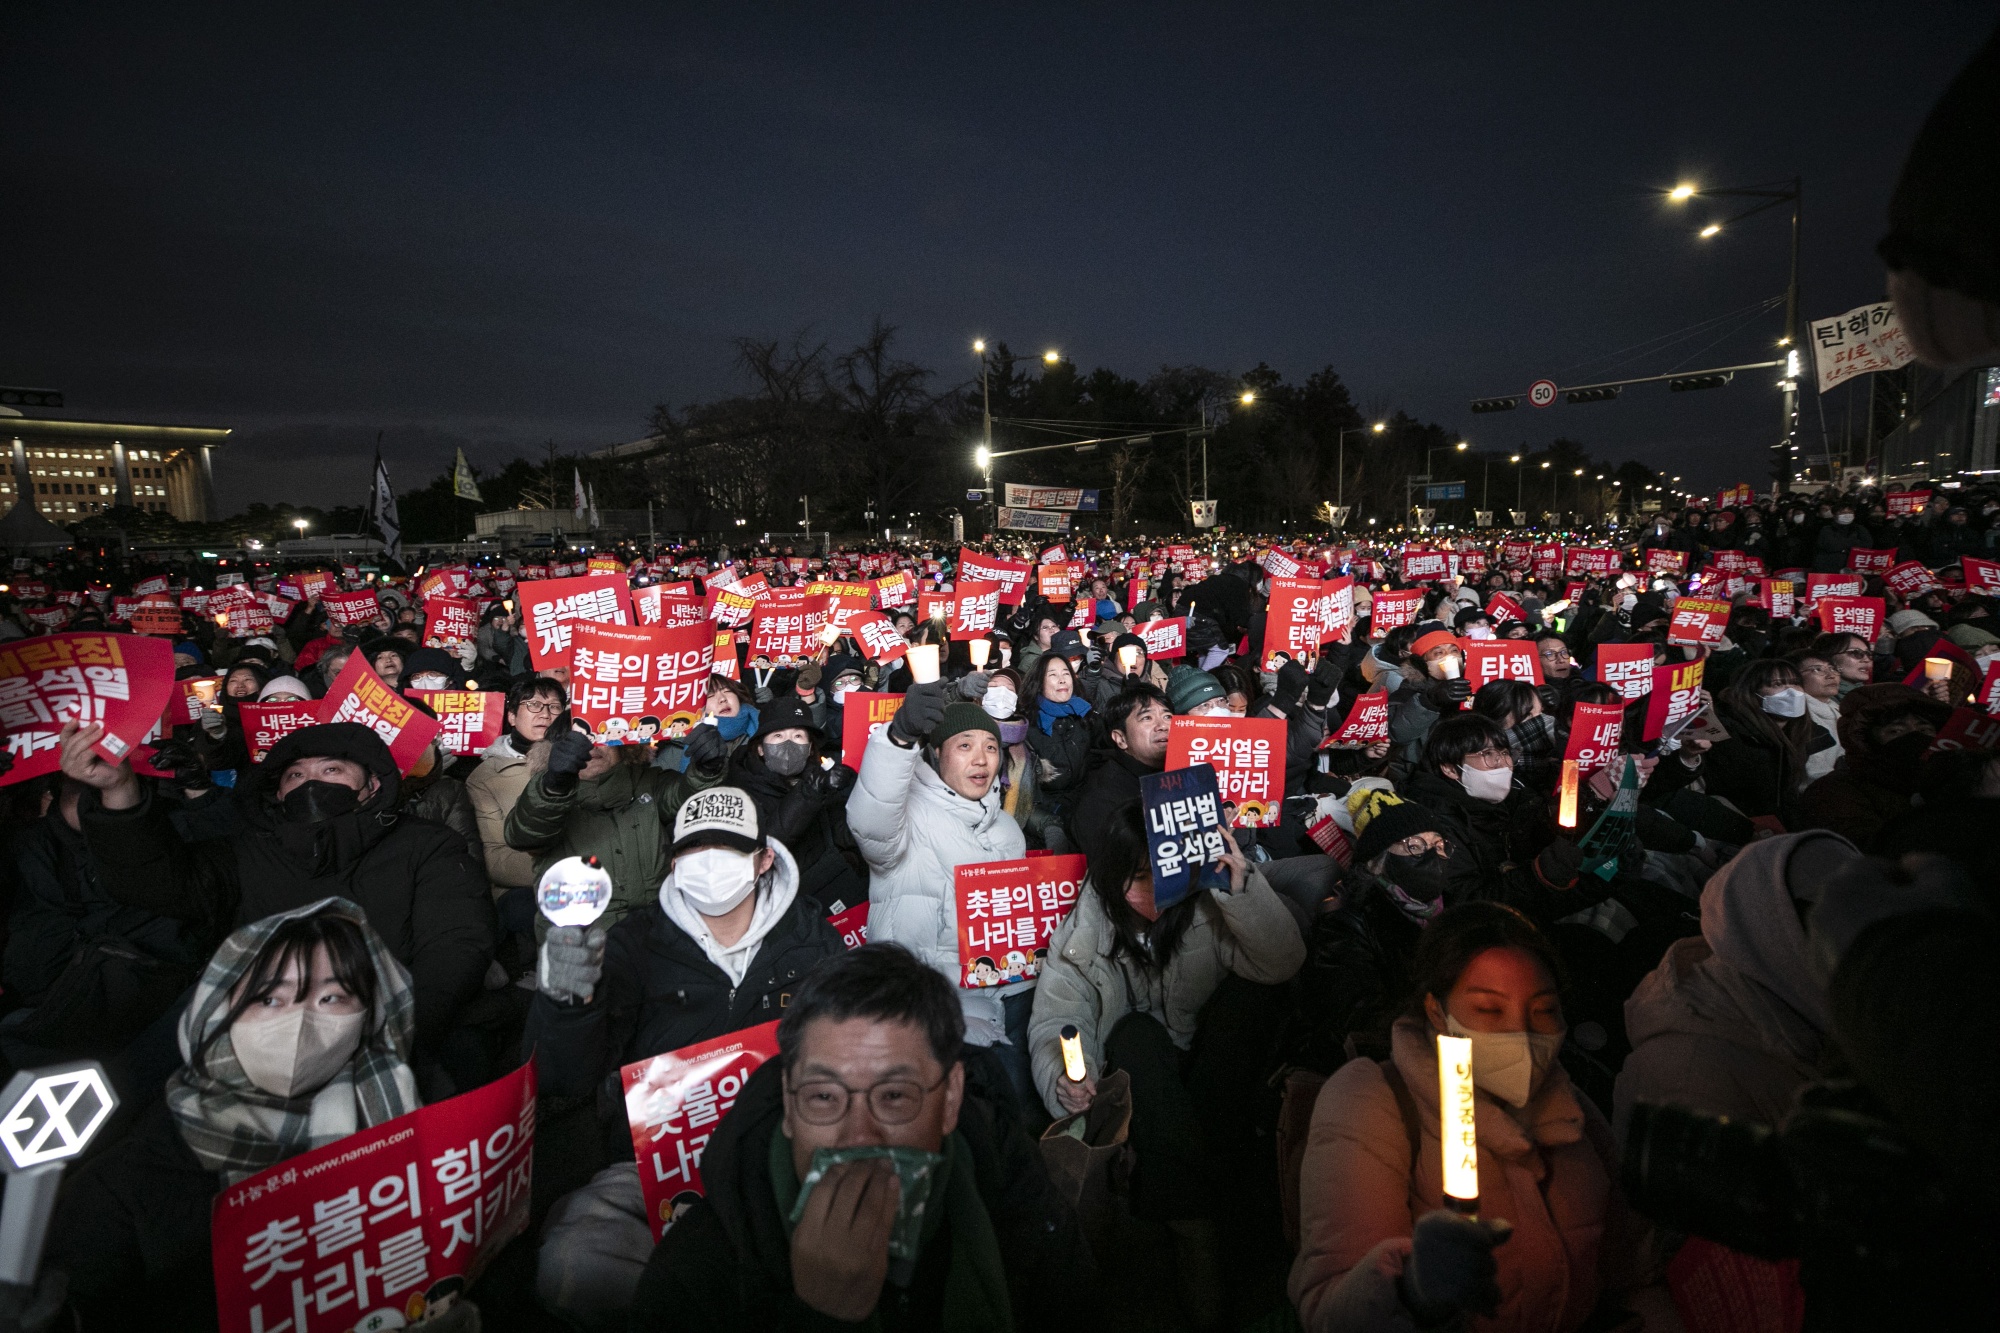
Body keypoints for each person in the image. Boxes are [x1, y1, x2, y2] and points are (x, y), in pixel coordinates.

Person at [628, 942, 1093, 1330]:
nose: (858, 1135)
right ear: (789, 1107)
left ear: (950, 1099)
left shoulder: (1015, 1192)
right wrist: (818, 1318)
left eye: (894, 1095)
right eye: (824, 1098)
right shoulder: (696, 1280)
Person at [531, 788, 847, 1331]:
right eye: (694, 852)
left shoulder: (813, 943)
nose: (708, 866)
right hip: (652, 1164)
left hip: (776, 1156)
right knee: (572, 1261)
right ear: (674, 863)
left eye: (727, 850)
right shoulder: (632, 944)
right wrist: (564, 1003)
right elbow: (567, 1078)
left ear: (764, 858)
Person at [42, 900, 423, 1330]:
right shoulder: (126, 1183)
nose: (300, 1021)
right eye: (270, 999)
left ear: (369, 1012)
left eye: (331, 996)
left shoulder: (417, 1116)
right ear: (220, 1012)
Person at [1290, 902, 1662, 1332]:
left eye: (1543, 1011)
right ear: (1435, 1010)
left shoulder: (1571, 1106)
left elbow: (1629, 1261)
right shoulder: (1371, 1101)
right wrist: (1411, 1294)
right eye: (1489, 1010)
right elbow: (1327, 1307)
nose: (1519, 1033)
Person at [62, 718, 495, 1062]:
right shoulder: (247, 850)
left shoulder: (426, 846)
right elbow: (152, 882)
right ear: (278, 790)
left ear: (372, 786)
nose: (311, 783)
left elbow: (454, 945)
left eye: (332, 770)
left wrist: (393, 1034)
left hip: (371, 1029)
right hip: (244, 1026)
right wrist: (120, 791)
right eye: (295, 774)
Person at [1029, 802, 1304, 1327]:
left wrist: (1239, 888)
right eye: (1138, 876)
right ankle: (1195, 1229)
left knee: (1255, 995)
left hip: (1206, 1067)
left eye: (1164, 873)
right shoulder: (1089, 926)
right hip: (1141, 1076)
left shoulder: (1206, 906)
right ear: (1114, 876)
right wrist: (1067, 1076)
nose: (1153, 889)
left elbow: (1282, 961)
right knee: (1136, 1033)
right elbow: (1059, 1016)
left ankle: (1191, 1187)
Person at [848, 679, 1037, 1108]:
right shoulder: (906, 817)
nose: (981, 759)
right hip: (928, 1003)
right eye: (965, 745)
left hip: (1007, 992)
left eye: (991, 746)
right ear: (936, 754)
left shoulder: (1008, 831)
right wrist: (898, 738)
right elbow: (870, 820)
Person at [1613, 832, 1861, 1140]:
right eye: (1835, 916)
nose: (1860, 937)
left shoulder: (1802, 1008)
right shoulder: (1689, 1078)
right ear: (1771, 923)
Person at [505, 719, 729, 935]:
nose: (592, 745)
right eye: (577, 740)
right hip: (577, 945)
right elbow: (523, 835)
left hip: (659, 934)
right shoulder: (544, 797)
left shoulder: (648, 783)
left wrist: (707, 768)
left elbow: (689, 798)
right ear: (555, 753)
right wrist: (553, 786)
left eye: (601, 735)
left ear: (623, 746)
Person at [726, 694, 866, 910]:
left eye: (798, 736)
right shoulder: (741, 787)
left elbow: (849, 835)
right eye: (778, 736)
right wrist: (810, 792)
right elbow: (765, 844)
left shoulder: (821, 778)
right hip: (779, 904)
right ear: (761, 748)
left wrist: (857, 791)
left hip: (832, 894)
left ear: (810, 747)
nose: (789, 743)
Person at [1797, 684, 1952, 847]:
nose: (1914, 737)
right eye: (1895, 731)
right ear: (1865, 740)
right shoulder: (1834, 791)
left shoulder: (1950, 780)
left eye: (1924, 730)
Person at [466, 675, 566, 904]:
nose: (545, 714)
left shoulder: (583, 763)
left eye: (554, 707)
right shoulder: (486, 776)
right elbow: (494, 858)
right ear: (511, 716)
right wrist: (563, 871)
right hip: (524, 889)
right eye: (533, 705)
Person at [1066, 682, 1171, 865]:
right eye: (1147, 718)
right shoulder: (1100, 799)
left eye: (1168, 716)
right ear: (1120, 739)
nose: (1162, 726)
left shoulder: (1185, 776)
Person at [1019, 650, 1093, 852]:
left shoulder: (1085, 714)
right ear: (1039, 682)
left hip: (1085, 808)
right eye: (1052, 675)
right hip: (1047, 816)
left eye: (1066, 673)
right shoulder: (1026, 726)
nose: (1062, 680)